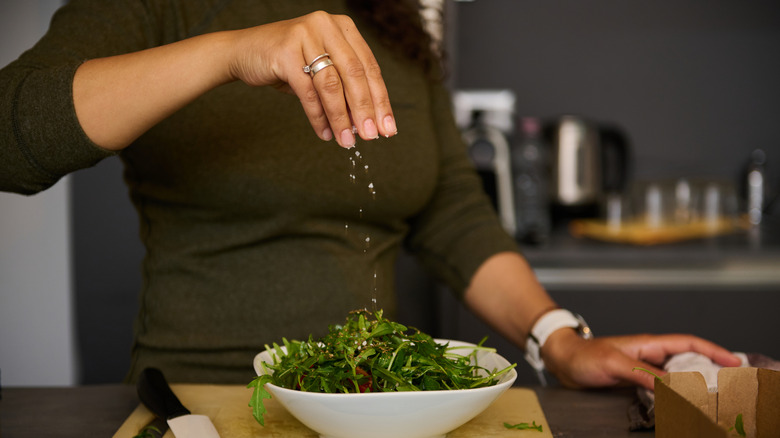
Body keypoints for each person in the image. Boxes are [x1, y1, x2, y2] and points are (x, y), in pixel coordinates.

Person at [0, 0, 740, 389]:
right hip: (201, 403)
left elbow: (450, 208)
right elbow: (13, 136)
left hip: (376, 404)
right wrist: (228, 54)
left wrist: (560, 339)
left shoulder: (393, 22)